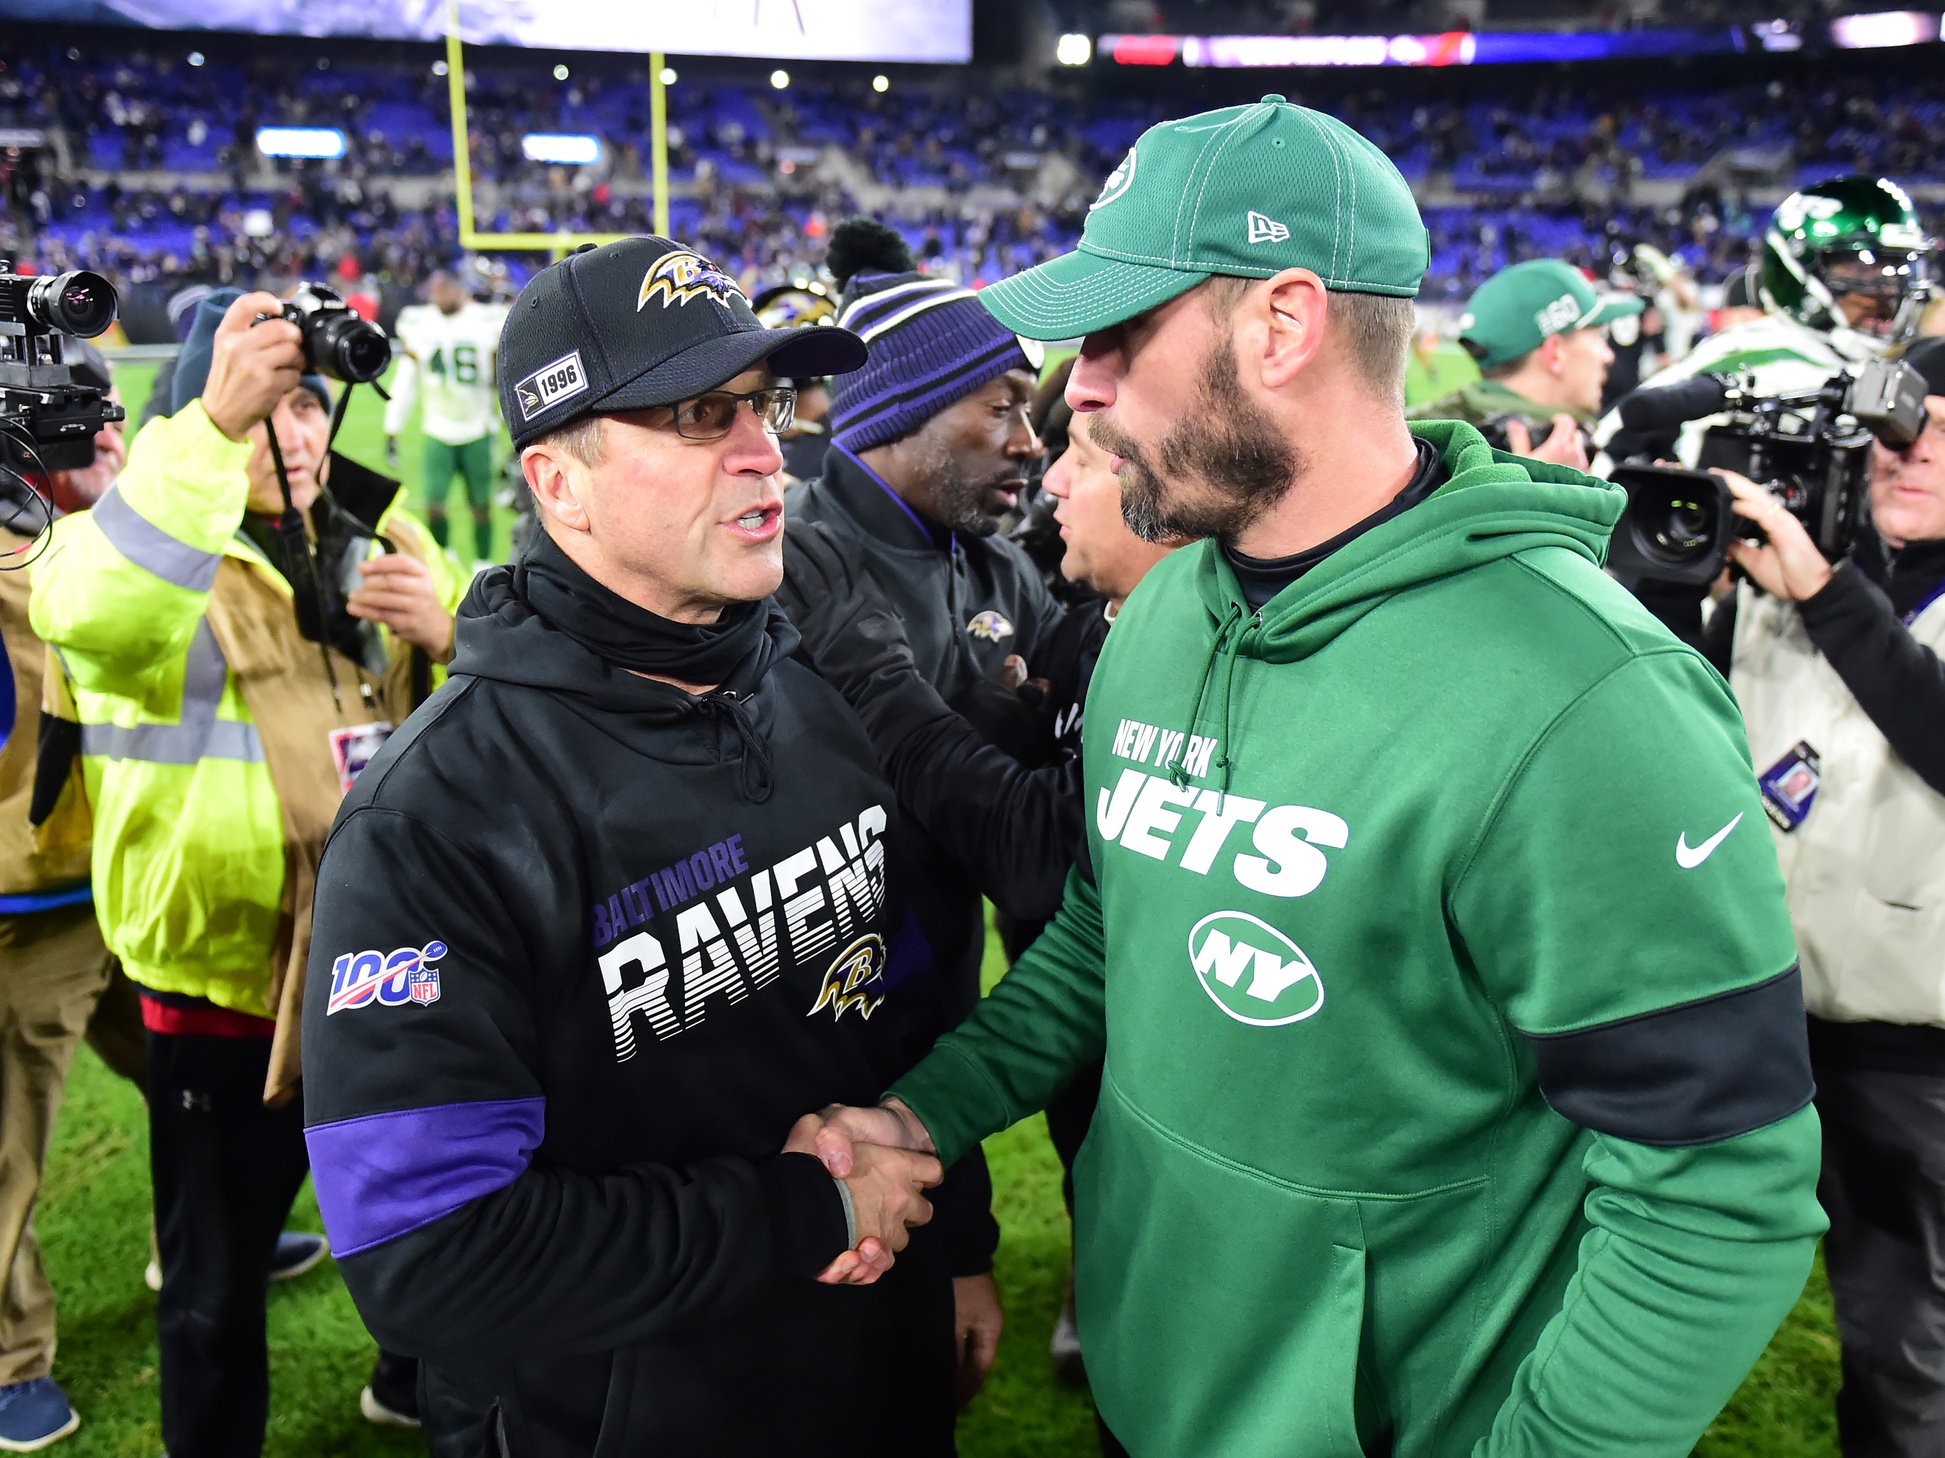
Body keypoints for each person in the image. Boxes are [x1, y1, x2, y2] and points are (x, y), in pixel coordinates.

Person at [796, 94, 1826, 1457]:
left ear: (1280, 323)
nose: (1077, 392)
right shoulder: (1164, 611)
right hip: (1155, 1377)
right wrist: (926, 1110)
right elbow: (1112, 930)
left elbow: (1717, 1192)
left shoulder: (1590, 697)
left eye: (1115, 336)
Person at [300, 236, 958, 1458]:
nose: (768, 447)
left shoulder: (812, 692)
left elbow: (900, 1009)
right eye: (701, 416)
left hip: (880, 1366)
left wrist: (954, 1247)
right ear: (560, 483)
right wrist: (799, 1211)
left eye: (762, 404)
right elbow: (427, 1254)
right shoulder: (435, 812)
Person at [29, 291, 463, 1457]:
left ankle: (412, 1377)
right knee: (214, 1286)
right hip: (225, 977)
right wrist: (214, 429)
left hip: (392, 959)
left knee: (429, 1211)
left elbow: (491, 722)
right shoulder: (144, 548)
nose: (303, 430)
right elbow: (95, 614)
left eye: (312, 404)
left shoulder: (387, 537)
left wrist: (454, 631)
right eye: (279, 406)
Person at [783, 214, 1063, 1392]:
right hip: (785, 1041)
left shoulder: (997, 566)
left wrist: (964, 1249)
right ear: (898, 407)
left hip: (934, 1012)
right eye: (1000, 407)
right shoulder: (788, 557)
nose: (1030, 445)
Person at [1697, 335, 1945, 1458]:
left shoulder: (1814, 579)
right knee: (1651, 1292)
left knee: (1902, 1351)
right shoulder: (1785, 565)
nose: (1913, 452)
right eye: (1903, 423)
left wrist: (1825, 592)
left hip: (1912, 1053)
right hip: (1745, 1013)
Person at [0, 346, 147, 1453]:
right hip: (25, 909)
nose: (101, 431)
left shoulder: (131, 544)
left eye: (105, 411)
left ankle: (200, 1237)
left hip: (135, 882)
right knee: (6, 1147)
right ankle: (10, 1360)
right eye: (66, 417)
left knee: (205, 1088)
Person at [1596, 175, 1933, 469]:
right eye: (1863, 269)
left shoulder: (1899, 364)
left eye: (1897, 267)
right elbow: (1617, 432)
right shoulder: (1753, 352)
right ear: (1799, 270)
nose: (1888, 288)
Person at [1409, 258, 1641, 469]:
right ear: (1555, 354)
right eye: (1598, 338)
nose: (1608, 355)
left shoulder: (1417, 439)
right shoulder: (1531, 453)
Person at [384, 269, 510, 560]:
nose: (439, 296)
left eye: (445, 290)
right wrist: (393, 426)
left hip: (478, 427)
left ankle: (483, 563)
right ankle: (444, 558)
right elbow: (406, 379)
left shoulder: (487, 320)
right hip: (437, 429)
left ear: (460, 289)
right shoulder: (419, 323)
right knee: (434, 503)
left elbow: (502, 378)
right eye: (435, 291)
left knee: (481, 505)